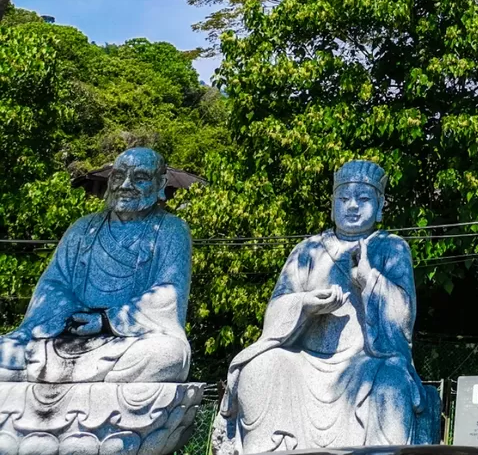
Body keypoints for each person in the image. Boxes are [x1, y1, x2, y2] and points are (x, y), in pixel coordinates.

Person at [214, 160, 431, 454]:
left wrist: (370, 280)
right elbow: (276, 311)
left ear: (380, 206)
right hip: (304, 362)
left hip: (365, 364)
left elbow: (403, 317)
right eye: (344, 199)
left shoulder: (391, 248)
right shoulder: (308, 250)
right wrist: (304, 304)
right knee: (261, 366)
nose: (352, 206)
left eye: (363, 199)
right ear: (332, 205)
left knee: (393, 380)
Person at [0, 147, 191, 384]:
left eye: (139, 178)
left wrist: (106, 320)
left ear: (160, 183)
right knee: (4, 351)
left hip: (128, 339)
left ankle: (65, 378)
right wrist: (70, 315)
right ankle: (74, 378)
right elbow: (53, 283)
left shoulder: (172, 230)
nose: (126, 185)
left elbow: (169, 292)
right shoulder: (83, 228)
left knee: (167, 355)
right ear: (110, 181)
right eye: (119, 176)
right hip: (66, 334)